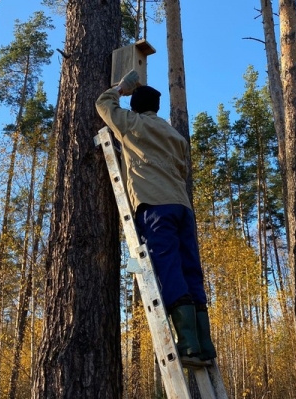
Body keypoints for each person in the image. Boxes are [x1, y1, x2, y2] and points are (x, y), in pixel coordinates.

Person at [96, 70, 216, 367]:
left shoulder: (132, 124)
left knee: (168, 270)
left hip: (155, 207)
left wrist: (122, 87)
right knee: (191, 271)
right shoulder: (175, 136)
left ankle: (188, 345)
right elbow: (183, 172)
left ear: (135, 107)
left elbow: (103, 104)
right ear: (157, 107)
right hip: (182, 209)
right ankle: (205, 344)